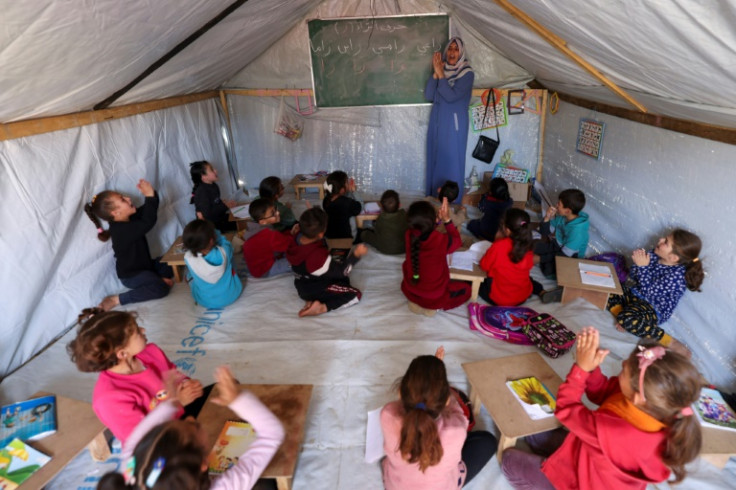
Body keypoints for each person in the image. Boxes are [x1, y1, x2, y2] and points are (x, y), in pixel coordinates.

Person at [502, 327, 703, 489]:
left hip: (578, 482)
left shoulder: (614, 432)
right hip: (588, 457)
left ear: (636, 396)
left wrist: (581, 370)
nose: (622, 362)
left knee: (509, 460)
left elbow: (566, 409)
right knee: (533, 434)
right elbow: (601, 393)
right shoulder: (654, 405)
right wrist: (592, 367)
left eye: (624, 369)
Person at [97, 366, 284, 490]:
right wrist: (238, 400)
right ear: (204, 463)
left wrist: (173, 403)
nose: (191, 418)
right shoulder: (224, 487)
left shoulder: (131, 468)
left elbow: (137, 438)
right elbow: (272, 434)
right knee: (267, 484)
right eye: (193, 427)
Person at [67, 308, 208, 445]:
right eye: (137, 332)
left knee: (218, 396)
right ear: (122, 353)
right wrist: (179, 403)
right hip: (159, 443)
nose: (143, 330)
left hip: (179, 413)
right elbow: (144, 440)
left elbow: (173, 373)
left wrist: (187, 384)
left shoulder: (151, 353)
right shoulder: (109, 398)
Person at [381, 347, 497, 489]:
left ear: (400, 393)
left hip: (395, 486)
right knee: (487, 441)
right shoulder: (455, 429)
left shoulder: (388, 415)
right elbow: (458, 413)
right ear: (447, 400)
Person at [84, 179, 174, 311]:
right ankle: (117, 299)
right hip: (132, 276)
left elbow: (149, 211)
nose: (128, 198)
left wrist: (151, 195)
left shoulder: (129, 219)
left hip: (147, 267)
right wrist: (149, 196)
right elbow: (148, 221)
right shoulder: (120, 230)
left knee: (171, 260)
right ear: (115, 213)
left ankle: (157, 279)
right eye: (122, 200)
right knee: (161, 289)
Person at [607, 229, 703, 351]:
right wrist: (638, 264)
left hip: (652, 308)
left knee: (628, 319)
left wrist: (643, 267)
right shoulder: (654, 254)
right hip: (635, 295)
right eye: (664, 238)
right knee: (610, 287)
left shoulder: (678, 277)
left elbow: (649, 292)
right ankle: (623, 316)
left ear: (673, 257)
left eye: (666, 242)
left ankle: (669, 341)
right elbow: (634, 276)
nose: (660, 240)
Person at [286, 208, 367, 317]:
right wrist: (356, 255)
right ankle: (322, 307)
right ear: (320, 234)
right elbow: (343, 271)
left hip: (302, 285)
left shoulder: (295, 239)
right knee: (355, 294)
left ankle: (312, 300)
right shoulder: (316, 256)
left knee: (342, 277)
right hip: (317, 289)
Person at [425, 37, 475, 201]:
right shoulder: (442, 70)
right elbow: (429, 95)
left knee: (452, 160)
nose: (452, 52)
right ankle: (434, 198)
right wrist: (436, 72)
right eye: (450, 48)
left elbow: (451, 96)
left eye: (456, 49)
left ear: (461, 53)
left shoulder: (467, 73)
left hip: (454, 125)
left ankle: (452, 203)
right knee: (435, 158)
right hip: (438, 121)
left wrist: (440, 75)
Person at [401, 199, 470, 316]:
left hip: (411, 290)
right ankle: (433, 307)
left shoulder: (409, 235)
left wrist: (436, 222)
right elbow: (457, 241)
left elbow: (424, 230)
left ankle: (415, 303)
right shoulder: (441, 239)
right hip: (434, 295)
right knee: (467, 289)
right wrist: (447, 220)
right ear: (433, 221)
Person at [534, 188, 589, 301]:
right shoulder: (562, 218)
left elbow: (564, 255)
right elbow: (545, 232)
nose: (556, 206)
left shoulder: (577, 232)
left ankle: (563, 290)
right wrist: (547, 217)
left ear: (567, 210)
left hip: (570, 258)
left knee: (548, 270)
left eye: (559, 204)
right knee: (534, 246)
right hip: (557, 247)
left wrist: (540, 259)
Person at [478, 208, 541, 305]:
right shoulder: (528, 245)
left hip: (500, 299)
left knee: (476, 283)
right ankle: (541, 291)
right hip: (521, 297)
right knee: (528, 280)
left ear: (507, 230)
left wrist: (496, 241)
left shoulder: (499, 246)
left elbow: (484, 265)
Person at [182, 219, 243, 308]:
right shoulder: (224, 251)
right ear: (211, 240)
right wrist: (214, 231)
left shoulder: (188, 258)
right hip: (233, 294)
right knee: (230, 261)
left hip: (205, 301)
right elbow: (226, 242)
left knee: (189, 275)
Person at [242, 198, 294, 278]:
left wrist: (288, 233)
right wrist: (293, 234)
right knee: (297, 260)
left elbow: (278, 240)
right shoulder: (270, 234)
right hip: (264, 270)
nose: (278, 212)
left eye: (275, 209)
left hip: (254, 268)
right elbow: (288, 244)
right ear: (263, 222)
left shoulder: (252, 228)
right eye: (273, 213)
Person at [190, 160, 237, 233]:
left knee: (239, 221)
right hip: (211, 226)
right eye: (211, 169)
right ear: (204, 177)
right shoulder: (202, 192)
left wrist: (222, 203)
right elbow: (207, 214)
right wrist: (225, 206)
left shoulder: (214, 185)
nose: (216, 170)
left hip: (219, 219)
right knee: (239, 225)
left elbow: (215, 201)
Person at [360, 190, 407, 255]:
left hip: (384, 248)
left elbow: (377, 232)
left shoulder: (381, 218)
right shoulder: (404, 215)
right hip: (403, 248)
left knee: (365, 234)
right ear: (399, 205)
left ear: (382, 207)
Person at [467, 177, 513, 241]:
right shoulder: (509, 201)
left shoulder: (487, 202)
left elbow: (480, 207)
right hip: (502, 232)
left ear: (491, 192)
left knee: (471, 224)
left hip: (488, 231)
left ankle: (482, 238)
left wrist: (484, 196)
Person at [322, 170, 362, 239]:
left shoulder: (326, 200)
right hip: (347, 238)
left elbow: (341, 199)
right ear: (342, 190)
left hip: (330, 237)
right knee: (362, 230)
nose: (348, 183)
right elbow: (360, 207)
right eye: (347, 182)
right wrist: (354, 191)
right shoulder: (347, 203)